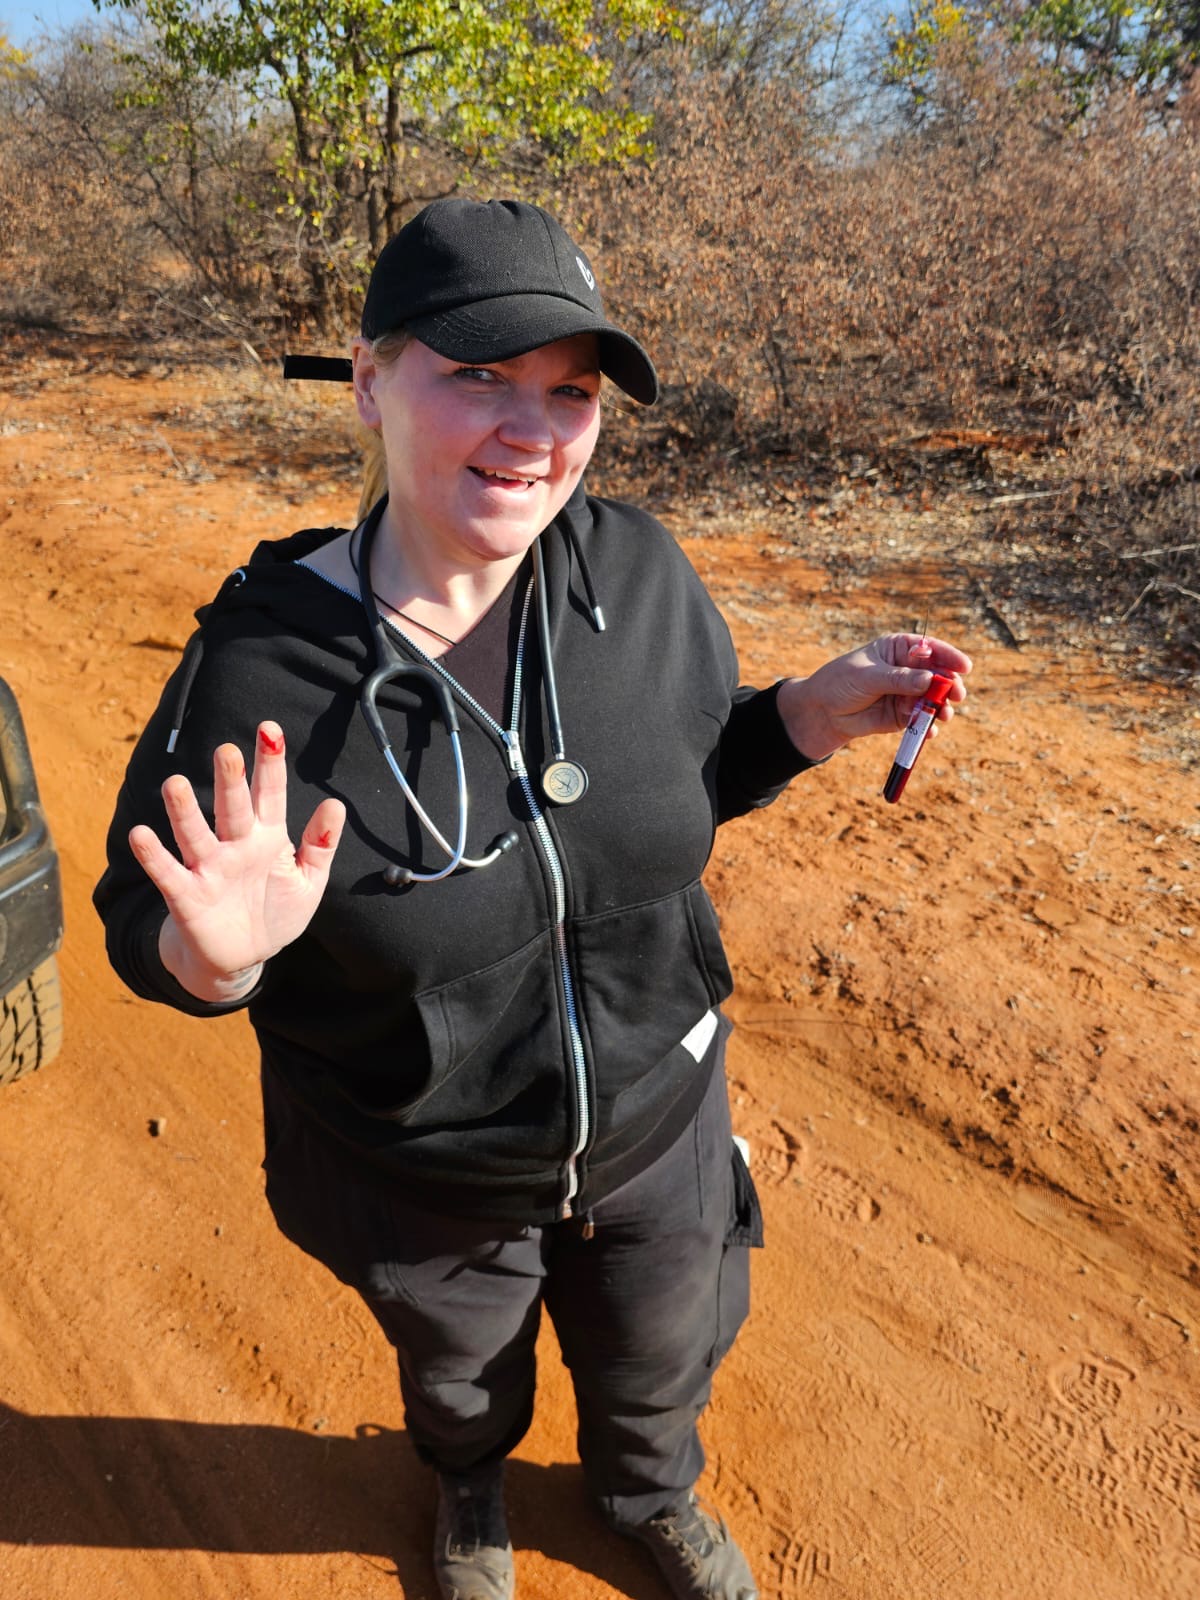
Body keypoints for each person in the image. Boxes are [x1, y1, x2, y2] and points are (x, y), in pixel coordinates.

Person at [94, 197, 971, 1600]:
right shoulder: (259, 669)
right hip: (425, 1172)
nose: (533, 429)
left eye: (570, 392)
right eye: (480, 377)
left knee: (661, 1354)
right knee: (457, 1379)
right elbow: (149, 921)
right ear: (373, 383)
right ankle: (470, 1494)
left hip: (658, 1127)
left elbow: (680, 784)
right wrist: (217, 964)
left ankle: (645, 1492)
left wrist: (797, 719)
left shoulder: (635, 575)